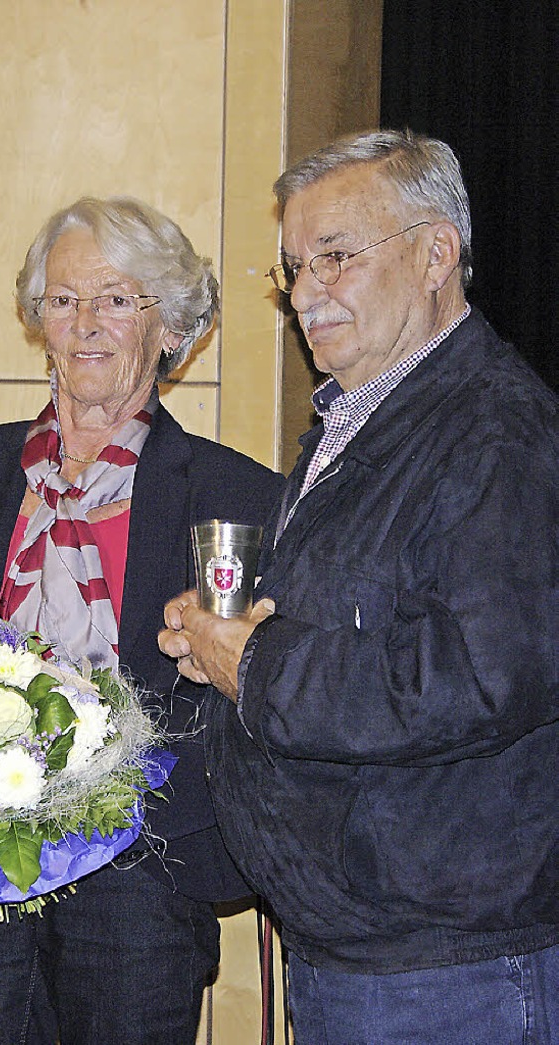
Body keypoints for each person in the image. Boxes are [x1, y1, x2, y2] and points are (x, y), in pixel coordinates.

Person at [159, 130, 558, 1044]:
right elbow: (365, 612)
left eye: (335, 257)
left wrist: (255, 662)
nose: (305, 293)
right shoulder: (366, 413)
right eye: (293, 267)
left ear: (434, 253)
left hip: (449, 972)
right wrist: (228, 643)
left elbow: (476, 674)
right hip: (366, 951)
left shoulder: (498, 435)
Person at [0, 195, 283, 1045]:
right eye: (62, 298)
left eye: (117, 299)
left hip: (141, 879)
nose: (86, 323)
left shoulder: (235, 496)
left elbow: (259, 689)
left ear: (170, 326)